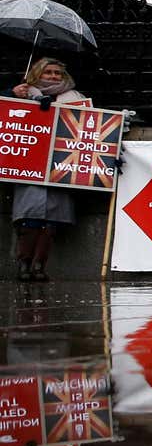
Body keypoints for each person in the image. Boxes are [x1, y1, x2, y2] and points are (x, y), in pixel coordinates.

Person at [9, 58, 87, 281]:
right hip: (30, 167)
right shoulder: (23, 94)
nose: (53, 77)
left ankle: (39, 267)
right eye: (48, 73)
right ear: (36, 74)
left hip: (60, 167)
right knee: (29, 219)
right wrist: (14, 94)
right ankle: (24, 264)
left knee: (51, 222)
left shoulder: (75, 99)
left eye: (58, 74)